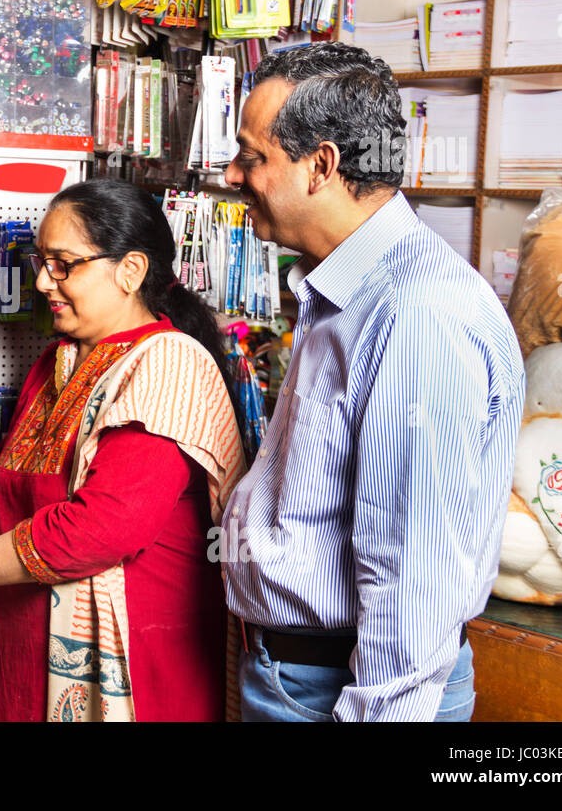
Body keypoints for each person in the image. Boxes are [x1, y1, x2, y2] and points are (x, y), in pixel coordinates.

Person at [0, 179, 246, 721]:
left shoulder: (171, 365)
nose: (41, 281)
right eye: (41, 262)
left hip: (132, 672)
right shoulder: (56, 363)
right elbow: (3, 495)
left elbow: (97, 530)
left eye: (63, 265)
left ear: (130, 271)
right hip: (20, 653)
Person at [220, 42, 525, 722]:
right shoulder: (349, 291)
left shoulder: (415, 314)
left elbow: (414, 577)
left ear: (320, 165)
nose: (235, 176)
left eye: (253, 156)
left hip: (344, 689)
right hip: (300, 675)